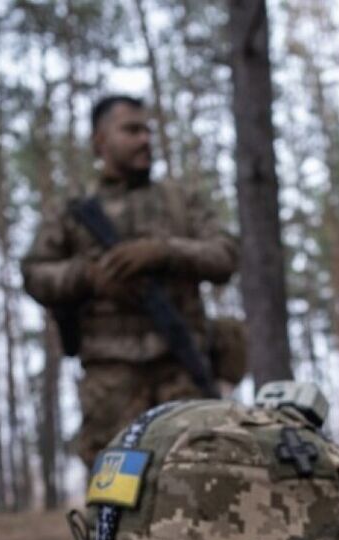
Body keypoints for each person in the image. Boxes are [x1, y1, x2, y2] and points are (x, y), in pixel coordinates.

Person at [20, 94, 240, 468]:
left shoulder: (180, 200)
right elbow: (35, 273)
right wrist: (89, 276)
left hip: (183, 371)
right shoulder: (73, 211)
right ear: (100, 141)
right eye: (131, 130)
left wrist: (165, 252)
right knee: (118, 501)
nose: (144, 140)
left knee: (198, 489)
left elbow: (225, 255)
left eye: (148, 131)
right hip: (110, 382)